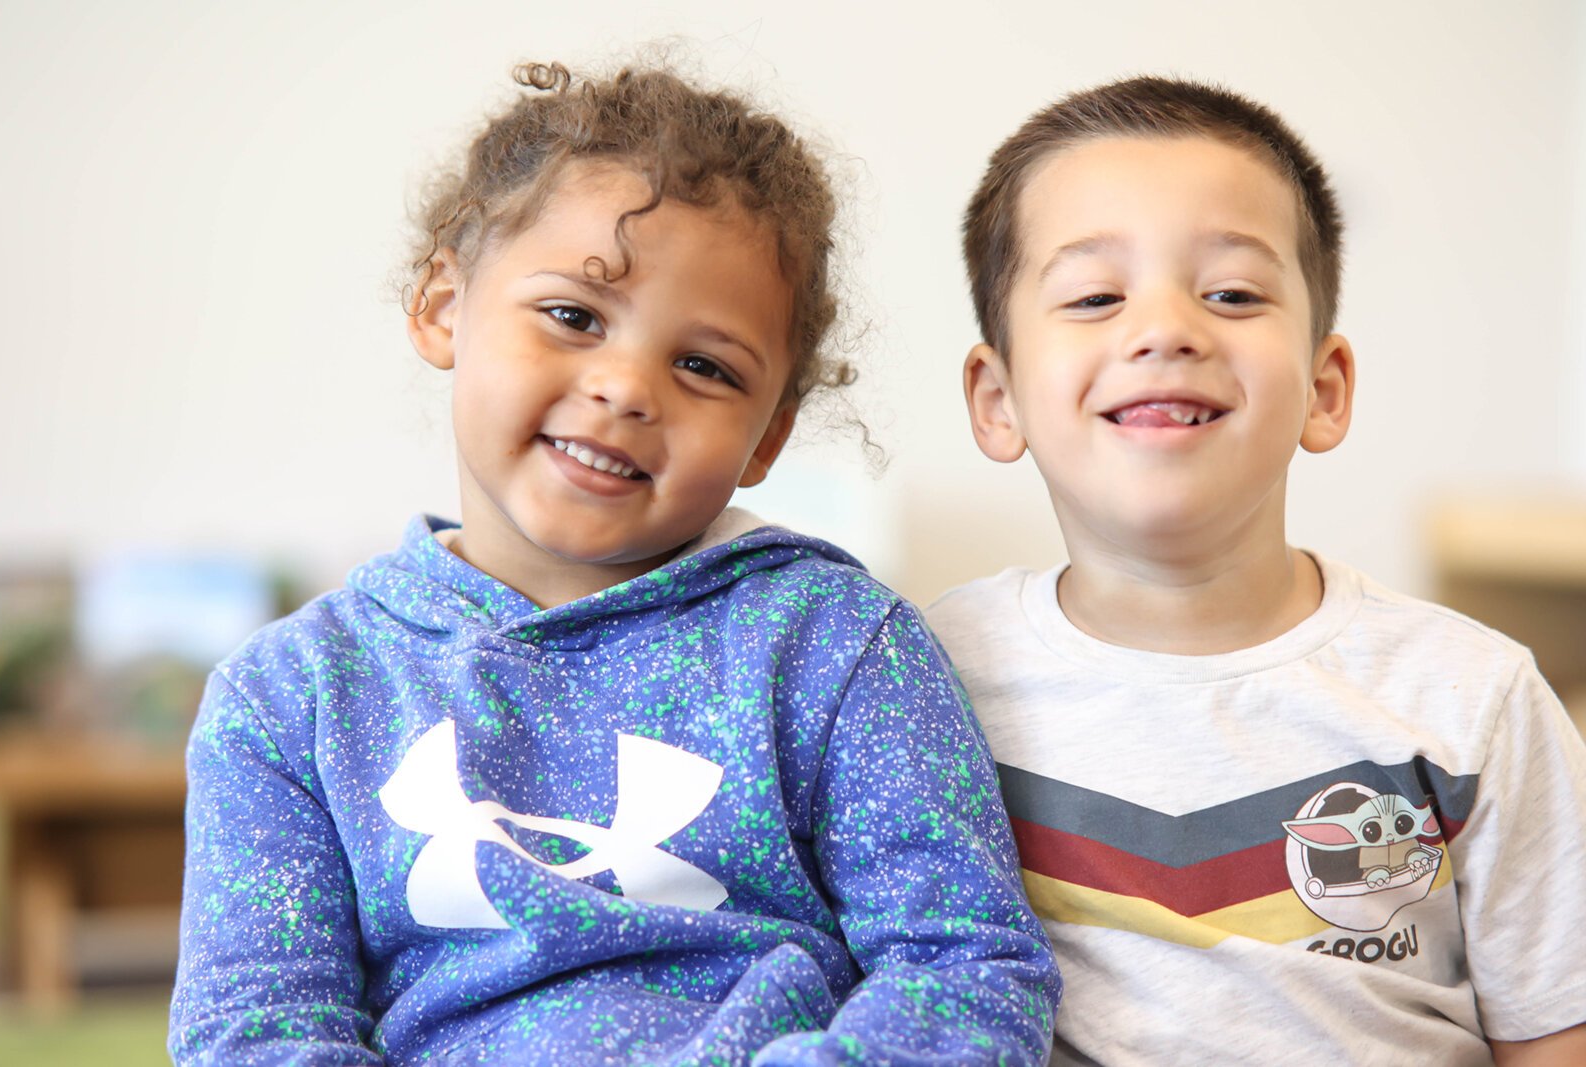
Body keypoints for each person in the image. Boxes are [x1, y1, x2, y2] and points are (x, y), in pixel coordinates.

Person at [169, 61, 1058, 1066]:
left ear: (768, 437)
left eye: (705, 367)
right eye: (574, 316)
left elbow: (966, 972)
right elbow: (253, 1030)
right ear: (441, 305)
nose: (627, 387)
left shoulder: (839, 645)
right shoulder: (287, 695)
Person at [926, 76, 1586, 1065]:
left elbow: (1550, 1033)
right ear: (997, 397)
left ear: (1324, 388)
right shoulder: (919, 678)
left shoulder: (1471, 697)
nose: (1165, 328)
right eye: (1095, 295)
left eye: (1231, 292)